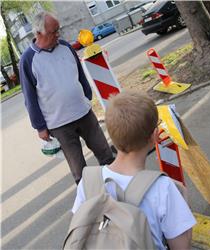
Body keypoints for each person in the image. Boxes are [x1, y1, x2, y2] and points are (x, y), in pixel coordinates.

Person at [72, 91, 196, 249]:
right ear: (154, 136)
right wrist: (184, 200)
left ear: (112, 135)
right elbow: (181, 247)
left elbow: (80, 230)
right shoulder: (163, 188)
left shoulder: (88, 181)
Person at [19, 11, 114, 184]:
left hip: (84, 114)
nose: (57, 35)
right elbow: (29, 97)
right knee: (80, 172)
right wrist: (40, 127)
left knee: (106, 154)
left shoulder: (66, 47)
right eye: (53, 32)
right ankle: (93, 205)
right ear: (38, 34)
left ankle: (118, 190)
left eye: (58, 30)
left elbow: (80, 75)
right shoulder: (28, 59)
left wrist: (87, 97)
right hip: (59, 125)